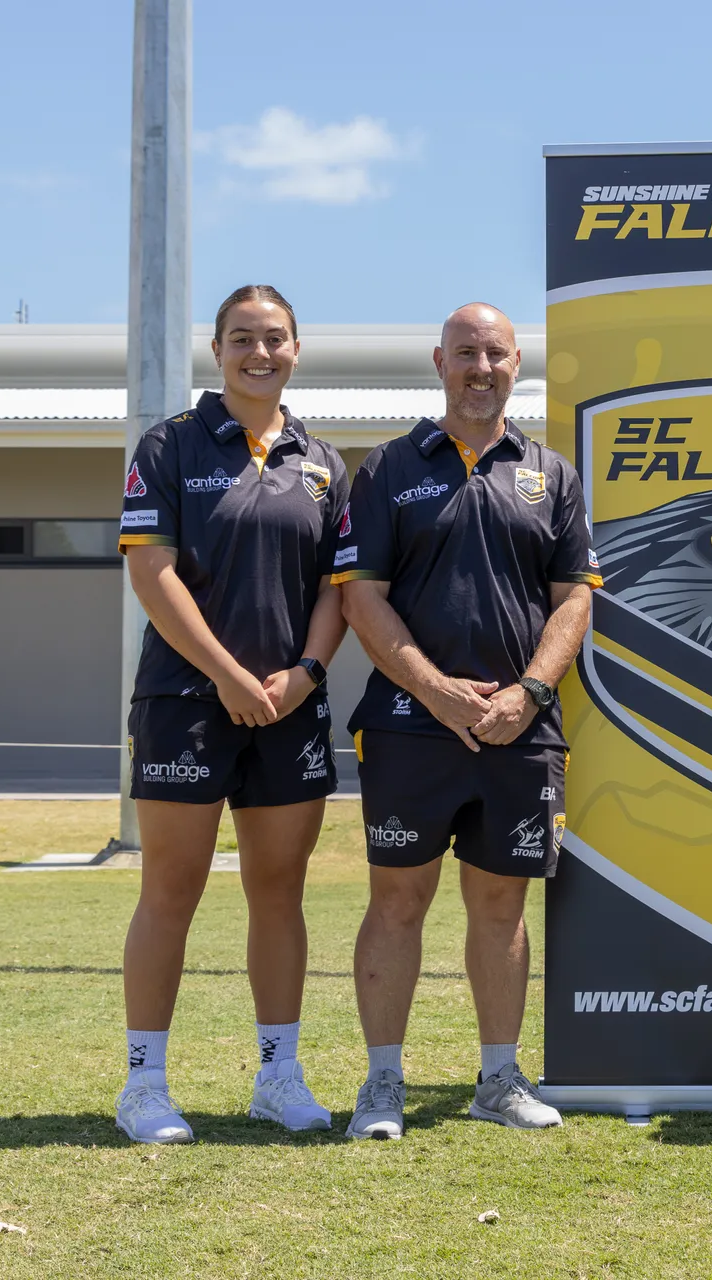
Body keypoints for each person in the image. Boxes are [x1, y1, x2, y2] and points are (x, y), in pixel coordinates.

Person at [334, 303, 599, 1141]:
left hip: (521, 732)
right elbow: (361, 598)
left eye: (495, 354)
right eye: (465, 353)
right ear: (438, 361)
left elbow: (574, 598)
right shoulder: (386, 469)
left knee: (501, 906)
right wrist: (436, 691)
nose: (480, 368)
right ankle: (383, 1083)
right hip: (410, 728)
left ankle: (498, 1078)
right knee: (397, 901)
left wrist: (530, 691)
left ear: (517, 363)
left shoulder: (551, 475)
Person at [114, 284, 350, 1144]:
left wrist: (306, 673)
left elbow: (339, 589)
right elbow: (153, 573)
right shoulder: (169, 445)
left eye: (275, 338)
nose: (260, 353)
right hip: (186, 702)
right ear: (216, 350)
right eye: (242, 338)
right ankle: (144, 1087)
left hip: (290, 704)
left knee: (279, 892)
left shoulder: (323, 463)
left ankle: (278, 1077)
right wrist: (226, 676)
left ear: (297, 349)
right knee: (170, 890)